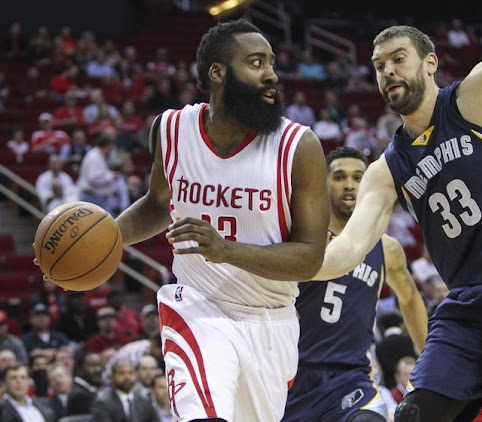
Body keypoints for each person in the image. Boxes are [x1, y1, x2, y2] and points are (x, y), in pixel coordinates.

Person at [313, 2, 482, 420]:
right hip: (468, 303)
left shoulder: (476, 96)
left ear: (430, 63)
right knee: (413, 415)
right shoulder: (386, 170)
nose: (387, 71)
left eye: (398, 59)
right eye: (378, 65)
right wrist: (271, 262)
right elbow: (345, 252)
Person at [111, 19, 328, 422]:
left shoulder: (299, 147)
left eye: (272, 63)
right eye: (257, 63)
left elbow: (310, 257)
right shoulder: (173, 130)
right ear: (218, 73)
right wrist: (106, 240)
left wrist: (226, 250)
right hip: (196, 305)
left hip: (271, 320)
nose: (272, 75)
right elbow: (159, 204)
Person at [283, 147, 428, 422]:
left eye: (358, 177)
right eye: (339, 177)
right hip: (291, 377)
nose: (349, 185)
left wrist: (429, 361)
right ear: (323, 183)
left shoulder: (386, 248)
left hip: (351, 379)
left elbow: (410, 299)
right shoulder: (300, 238)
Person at [90, 360, 159, 422]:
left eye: (131, 373)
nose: (127, 377)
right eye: (121, 373)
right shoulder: (103, 403)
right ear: (111, 377)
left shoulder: (144, 400)